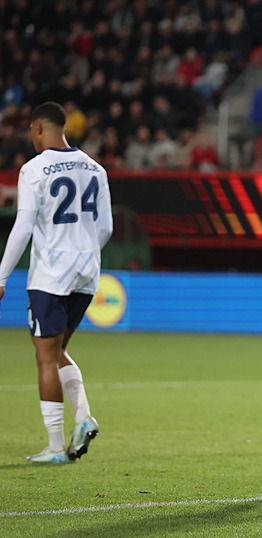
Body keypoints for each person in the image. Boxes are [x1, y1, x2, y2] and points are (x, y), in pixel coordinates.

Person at [0, 101, 112, 464]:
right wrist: (83, 251)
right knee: (58, 351)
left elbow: (23, 227)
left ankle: (53, 446)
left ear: (37, 130)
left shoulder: (34, 169)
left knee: (45, 357)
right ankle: (84, 419)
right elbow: (107, 228)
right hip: (87, 271)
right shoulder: (96, 168)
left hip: (51, 273)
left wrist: (1, 275)